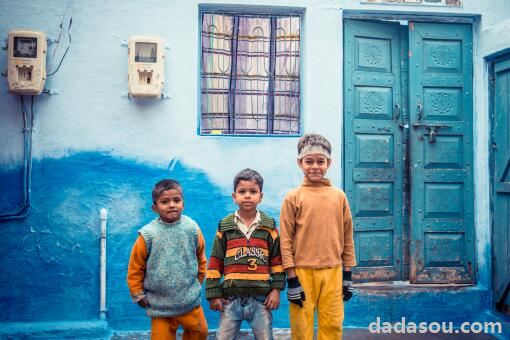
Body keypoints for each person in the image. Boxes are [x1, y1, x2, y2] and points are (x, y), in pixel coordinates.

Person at [280, 134, 357, 340]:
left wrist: (347, 275)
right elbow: (285, 239)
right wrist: (292, 278)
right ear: (300, 163)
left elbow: (347, 235)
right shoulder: (293, 197)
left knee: (332, 324)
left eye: (320, 161)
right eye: (309, 161)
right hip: (302, 272)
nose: (315, 166)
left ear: (328, 163)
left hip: (334, 271)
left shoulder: (338, 196)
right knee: (301, 326)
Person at [205, 168, 286, 340]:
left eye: (253, 191)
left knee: (265, 337)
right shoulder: (225, 227)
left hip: (261, 300)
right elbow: (215, 263)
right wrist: (214, 294)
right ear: (234, 196)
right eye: (242, 191)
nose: (247, 195)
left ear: (260, 197)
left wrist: (276, 290)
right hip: (230, 299)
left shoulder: (269, 227)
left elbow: (277, 261)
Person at [127, 179, 208, 340]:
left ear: (183, 204)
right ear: (155, 208)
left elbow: (201, 257)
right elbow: (136, 266)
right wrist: (137, 293)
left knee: (200, 332)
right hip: (160, 306)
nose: (172, 205)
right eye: (165, 202)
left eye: (176, 200)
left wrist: (198, 282)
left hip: (189, 302)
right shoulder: (148, 234)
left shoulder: (192, 228)